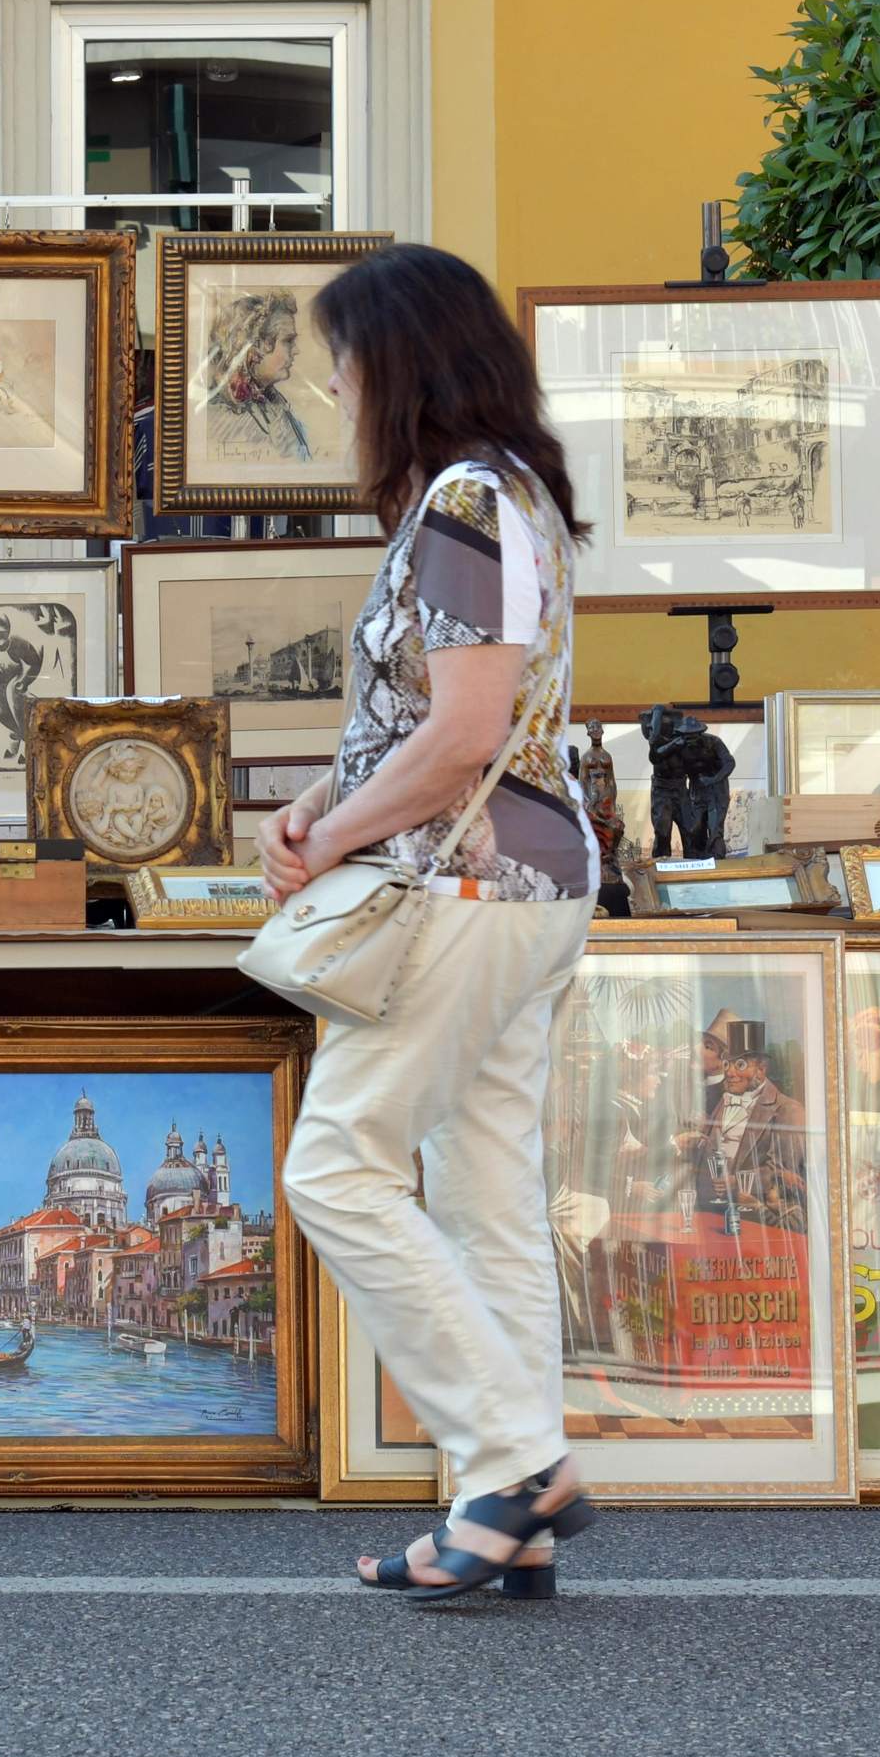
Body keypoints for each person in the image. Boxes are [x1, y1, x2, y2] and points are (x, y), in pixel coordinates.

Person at [259, 243, 601, 1603]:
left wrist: (335, 835)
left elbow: (463, 735)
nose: (335, 387)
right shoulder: (506, 495)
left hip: (466, 891)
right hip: (528, 883)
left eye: (345, 360)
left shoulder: (461, 503)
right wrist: (330, 792)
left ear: (397, 363)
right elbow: (458, 723)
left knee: (335, 1168)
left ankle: (512, 1460)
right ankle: (499, 1505)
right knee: (481, 1193)